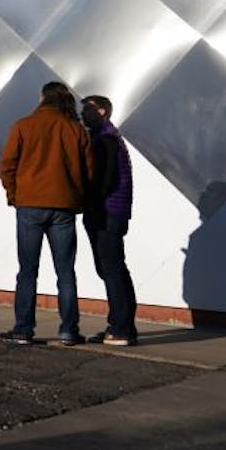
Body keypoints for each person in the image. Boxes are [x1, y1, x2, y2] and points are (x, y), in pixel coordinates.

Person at [0, 82, 93, 346]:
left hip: (29, 205)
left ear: (42, 98)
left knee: (27, 270)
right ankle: (69, 331)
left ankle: (23, 329)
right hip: (64, 206)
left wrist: (14, 195)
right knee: (65, 271)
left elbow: (7, 165)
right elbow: (89, 171)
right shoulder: (76, 129)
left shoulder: (23, 125)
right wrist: (77, 198)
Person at [80, 95, 137, 346]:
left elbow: (103, 181)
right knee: (113, 269)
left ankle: (120, 328)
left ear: (102, 112)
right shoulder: (108, 138)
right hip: (112, 212)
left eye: (88, 109)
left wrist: (88, 202)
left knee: (112, 269)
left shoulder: (105, 141)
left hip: (106, 213)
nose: (83, 114)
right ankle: (121, 325)